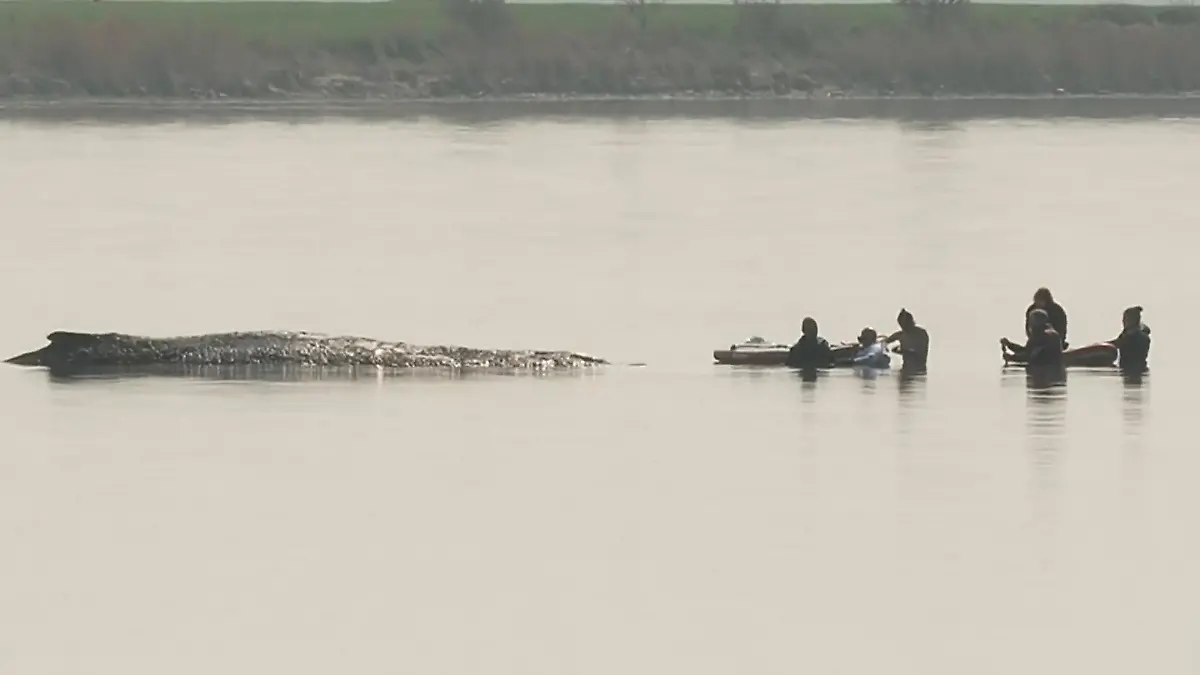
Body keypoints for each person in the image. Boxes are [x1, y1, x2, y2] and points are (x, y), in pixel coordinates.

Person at [1106, 305, 1151, 373]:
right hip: (1141, 368)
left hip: (1130, 369)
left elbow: (1116, 343)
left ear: (1132, 320)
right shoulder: (1134, 333)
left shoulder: (1131, 337)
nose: (1123, 321)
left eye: (1125, 319)